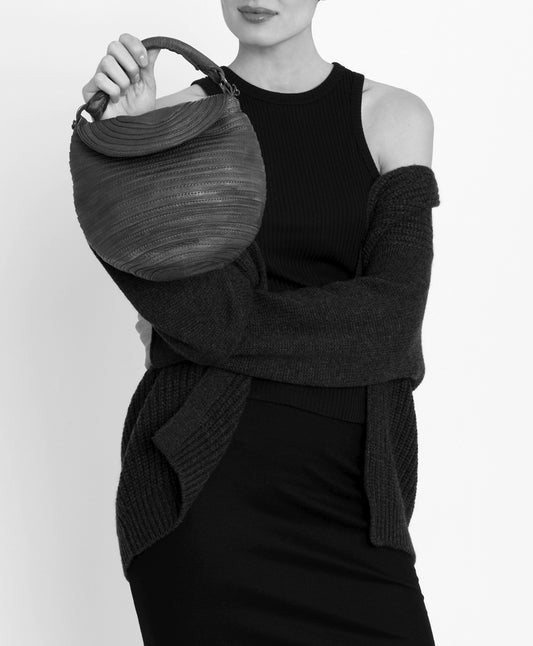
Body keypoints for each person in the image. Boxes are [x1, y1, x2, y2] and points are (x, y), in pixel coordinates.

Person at [82, 1, 436, 643]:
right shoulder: (169, 120)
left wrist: (218, 328)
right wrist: (128, 146)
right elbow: (182, 314)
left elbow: (391, 324)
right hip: (200, 494)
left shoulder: (393, 117)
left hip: (352, 499)